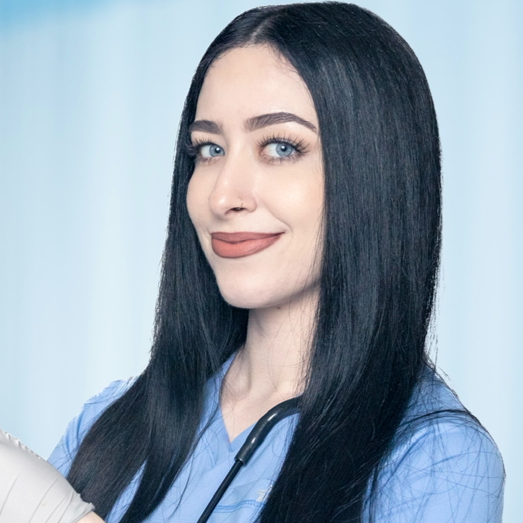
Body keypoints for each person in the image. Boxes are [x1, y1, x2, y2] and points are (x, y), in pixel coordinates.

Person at [42, 2, 504, 522]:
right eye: (209, 149)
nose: (223, 196)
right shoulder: (109, 426)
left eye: (280, 147)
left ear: (375, 171)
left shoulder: (437, 460)